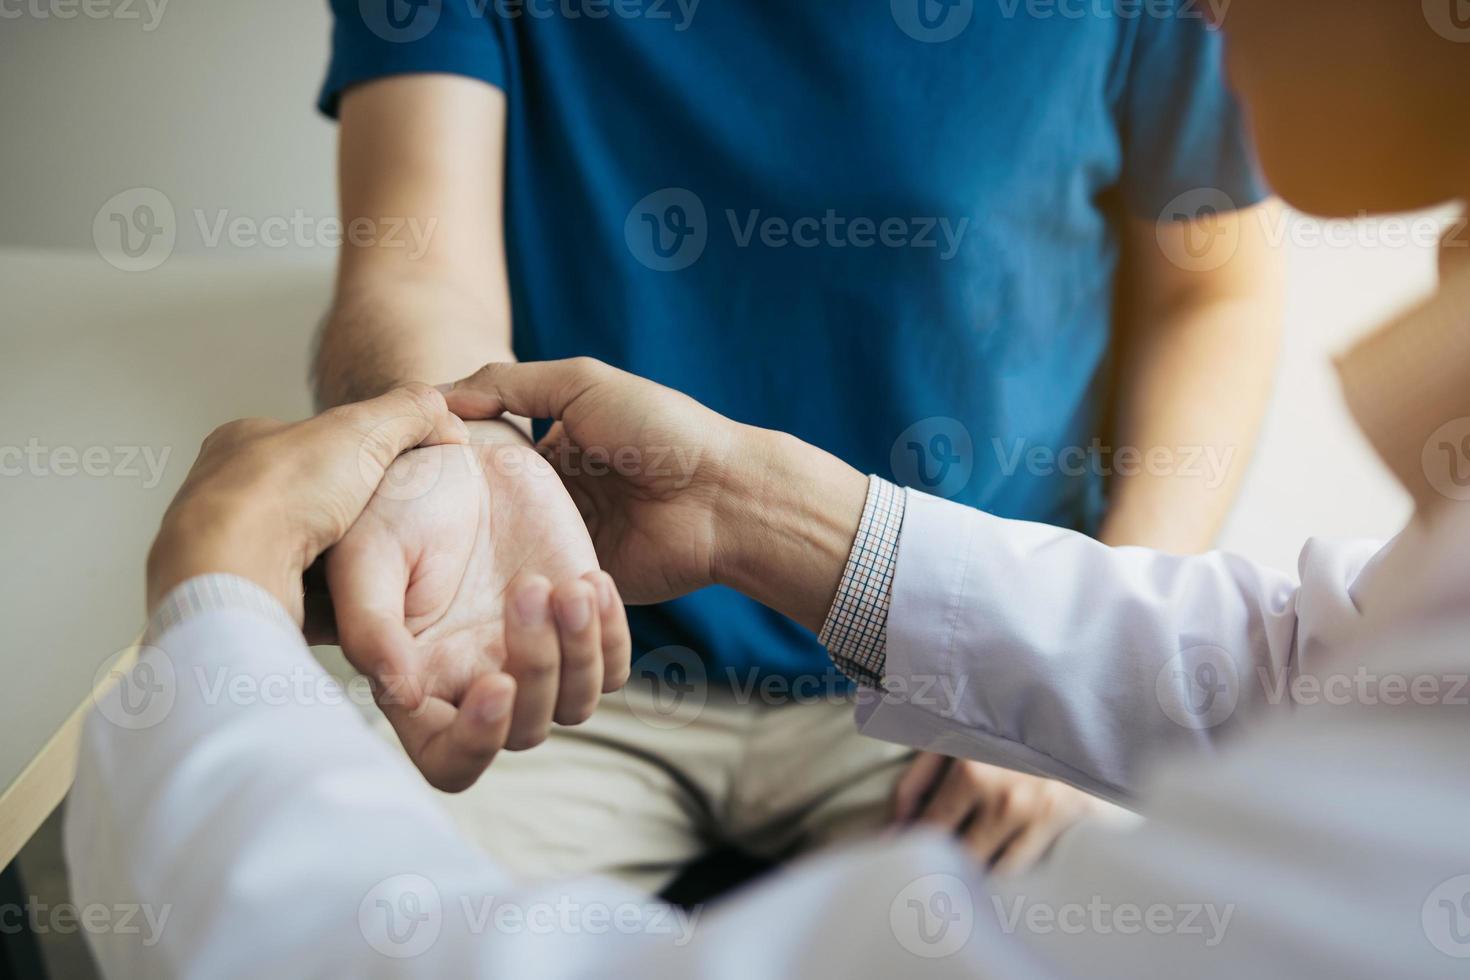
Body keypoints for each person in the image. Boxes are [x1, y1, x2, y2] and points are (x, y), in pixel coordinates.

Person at [66, 6, 1470, 974]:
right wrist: (760, 512)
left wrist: (219, 615)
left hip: (901, 737)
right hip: (584, 661)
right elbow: (1303, 655)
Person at [312, 0, 1282, 880]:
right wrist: (455, 459)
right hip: (562, 655)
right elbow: (412, 266)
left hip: (960, 663)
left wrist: (1075, 670)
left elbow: (1214, 292)